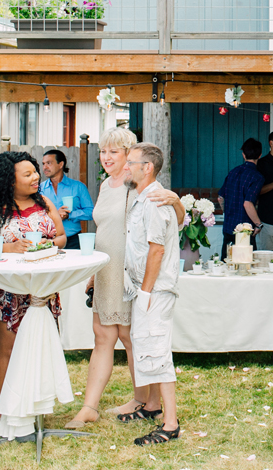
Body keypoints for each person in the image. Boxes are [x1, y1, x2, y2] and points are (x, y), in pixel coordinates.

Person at [67, 127, 184, 429]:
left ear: (130, 156)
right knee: (102, 335)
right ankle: (89, 406)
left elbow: (175, 223)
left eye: (113, 152)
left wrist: (176, 200)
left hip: (130, 272)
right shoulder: (106, 185)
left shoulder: (140, 185)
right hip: (105, 269)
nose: (106, 157)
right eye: (103, 151)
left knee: (131, 339)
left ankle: (145, 400)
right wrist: (94, 272)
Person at [0, 151, 68, 432]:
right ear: (9, 180)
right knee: (10, 348)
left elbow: (61, 236)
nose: (36, 177)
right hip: (8, 290)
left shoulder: (45, 203)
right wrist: (9, 248)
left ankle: (33, 405)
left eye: (35, 172)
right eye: (27, 174)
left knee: (39, 344)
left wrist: (49, 246)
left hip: (41, 289)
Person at [122, 143, 183, 445]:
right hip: (144, 288)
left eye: (131, 162)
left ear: (147, 167)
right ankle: (153, 406)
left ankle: (170, 424)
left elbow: (156, 250)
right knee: (147, 345)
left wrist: (145, 292)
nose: (125, 167)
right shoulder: (143, 197)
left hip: (155, 290)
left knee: (157, 350)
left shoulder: (155, 201)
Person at [218, 138, 266, 260]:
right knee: (246, 264)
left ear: (243, 154)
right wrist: (258, 224)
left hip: (229, 226)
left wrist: (228, 212)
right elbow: (248, 203)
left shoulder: (233, 172)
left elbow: (220, 198)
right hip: (245, 230)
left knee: (226, 263)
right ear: (260, 155)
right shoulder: (257, 176)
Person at [40, 149, 94, 251]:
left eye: (49, 163)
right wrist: (55, 214)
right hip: (47, 242)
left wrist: (70, 215)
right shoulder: (39, 189)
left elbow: (91, 212)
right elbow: (34, 216)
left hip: (73, 241)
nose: (45, 167)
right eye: (43, 164)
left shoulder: (78, 187)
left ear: (61, 164)